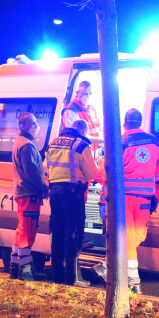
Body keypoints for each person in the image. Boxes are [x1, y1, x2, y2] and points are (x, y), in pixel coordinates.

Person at [99, 108, 159, 293]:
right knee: (135, 237)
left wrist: (104, 201)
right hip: (145, 197)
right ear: (140, 122)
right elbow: (158, 169)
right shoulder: (154, 141)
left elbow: (109, 173)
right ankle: (133, 280)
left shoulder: (119, 141)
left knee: (131, 237)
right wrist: (151, 181)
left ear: (124, 123)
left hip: (124, 197)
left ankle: (109, 265)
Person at [44, 117, 97, 286]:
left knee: (57, 234)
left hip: (55, 192)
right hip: (73, 194)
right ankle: (72, 278)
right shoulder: (81, 145)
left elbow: (48, 166)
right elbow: (91, 173)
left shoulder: (53, 143)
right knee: (72, 235)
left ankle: (57, 277)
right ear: (83, 131)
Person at [10, 111, 48, 280]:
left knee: (21, 230)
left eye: (35, 122)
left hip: (23, 193)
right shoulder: (26, 145)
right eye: (32, 123)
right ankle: (25, 271)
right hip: (29, 194)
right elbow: (31, 172)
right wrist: (43, 188)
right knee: (28, 231)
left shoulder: (20, 142)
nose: (35, 125)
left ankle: (14, 266)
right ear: (22, 126)